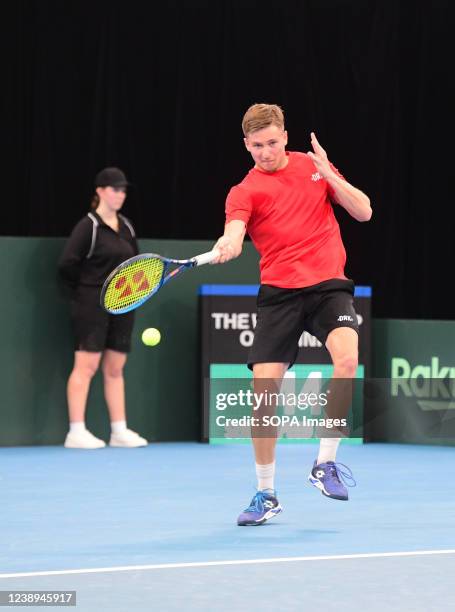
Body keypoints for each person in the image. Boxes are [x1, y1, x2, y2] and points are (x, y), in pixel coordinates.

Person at [213, 104, 372, 525]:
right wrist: (229, 243)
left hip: (327, 288)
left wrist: (330, 172)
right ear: (246, 145)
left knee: (348, 358)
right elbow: (235, 230)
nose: (265, 152)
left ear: (284, 136)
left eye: (272, 142)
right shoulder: (243, 191)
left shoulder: (313, 166)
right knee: (264, 394)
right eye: (257, 146)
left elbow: (364, 211)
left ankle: (325, 463)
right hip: (280, 295)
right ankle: (265, 494)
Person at [58, 167, 148, 449]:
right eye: (114, 189)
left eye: (123, 190)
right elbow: (67, 265)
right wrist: (87, 291)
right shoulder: (89, 226)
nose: (120, 194)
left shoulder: (128, 226)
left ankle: (119, 430)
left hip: (123, 304)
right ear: (99, 191)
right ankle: (76, 430)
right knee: (86, 366)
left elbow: (137, 264)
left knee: (115, 367)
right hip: (91, 303)